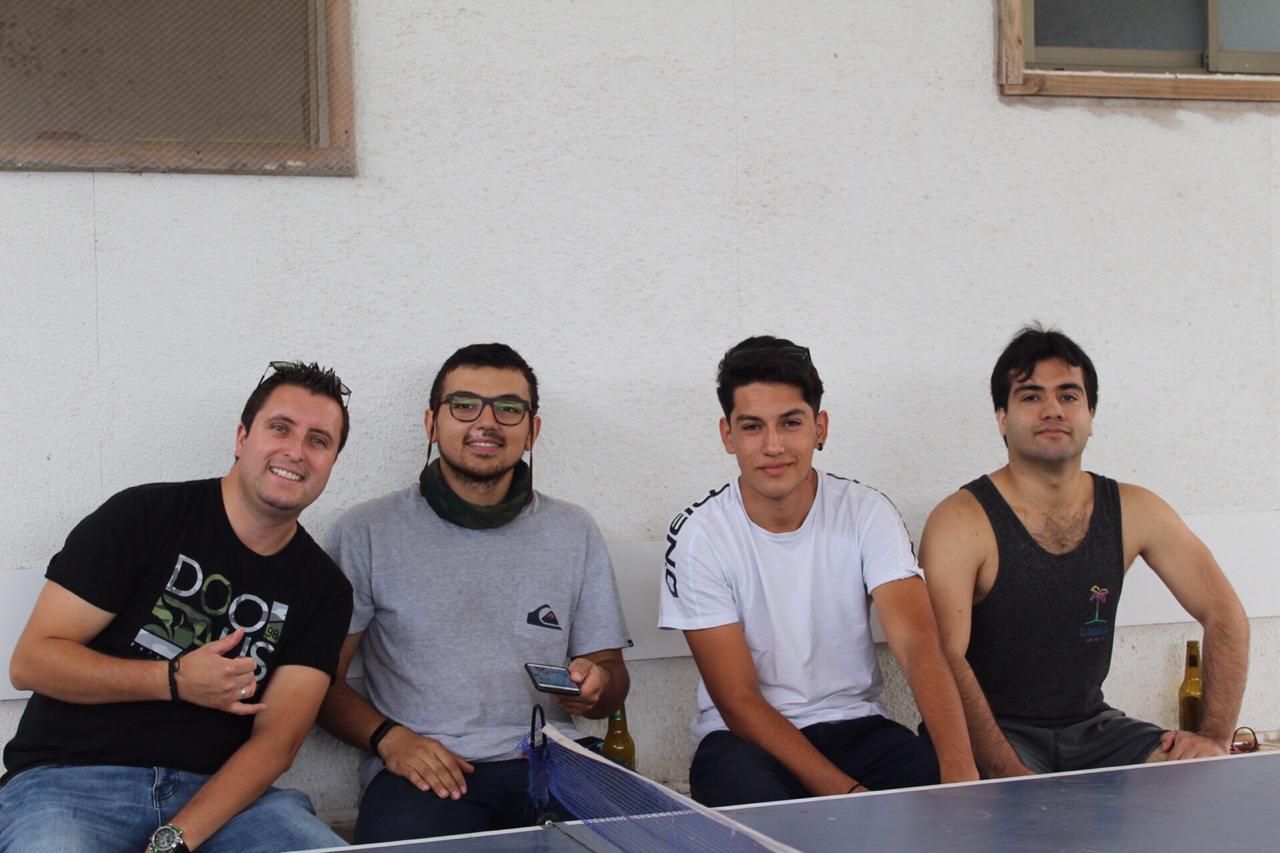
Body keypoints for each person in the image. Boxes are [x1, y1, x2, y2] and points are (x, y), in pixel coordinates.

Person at [0, 361, 355, 853]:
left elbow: (277, 742)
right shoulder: (144, 517)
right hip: (71, 782)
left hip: (221, 801)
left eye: (319, 441)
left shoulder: (323, 588)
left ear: (332, 462)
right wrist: (173, 680)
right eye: (280, 428)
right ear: (242, 437)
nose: (296, 451)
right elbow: (32, 662)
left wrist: (174, 840)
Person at [318, 342, 631, 844]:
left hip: (555, 763)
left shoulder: (573, 530)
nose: (486, 422)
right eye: (464, 405)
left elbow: (611, 676)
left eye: (509, 408)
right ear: (431, 423)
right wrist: (389, 739)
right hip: (425, 772)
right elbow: (316, 681)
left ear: (532, 431)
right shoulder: (367, 530)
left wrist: (597, 688)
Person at [657, 335, 977, 807]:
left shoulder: (867, 511)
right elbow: (739, 701)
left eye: (790, 423)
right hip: (745, 742)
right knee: (750, 804)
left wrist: (960, 771)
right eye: (752, 427)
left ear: (819, 428)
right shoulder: (699, 535)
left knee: (937, 796)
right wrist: (849, 798)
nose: (773, 446)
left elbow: (917, 644)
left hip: (858, 728)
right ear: (728, 436)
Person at [919, 324, 1250, 777]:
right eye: (1031, 396)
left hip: (1096, 730)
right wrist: (1015, 778)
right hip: (993, 733)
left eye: (1069, 396)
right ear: (1002, 418)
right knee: (1032, 812)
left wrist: (1213, 736)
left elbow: (1224, 613)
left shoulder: (1136, 509)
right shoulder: (960, 521)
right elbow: (944, 659)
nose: (1052, 409)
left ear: (1090, 417)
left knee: (1198, 777)